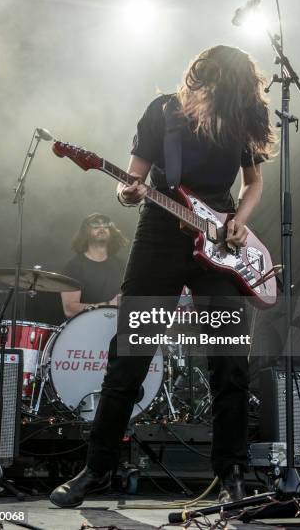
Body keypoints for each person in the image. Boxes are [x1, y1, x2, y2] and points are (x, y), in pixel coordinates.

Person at [50, 45, 276, 507]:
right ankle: (96, 470)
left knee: (231, 363)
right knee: (128, 358)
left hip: (221, 244)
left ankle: (231, 473)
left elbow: (252, 182)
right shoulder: (163, 112)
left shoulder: (241, 118)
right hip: (159, 236)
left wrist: (240, 221)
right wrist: (129, 193)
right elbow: (129, 182)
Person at [61, 213, 127, 318]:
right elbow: (69, 309)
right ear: (85, 232)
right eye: (95, 225)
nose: (102, 228)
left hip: (117, 327)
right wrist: (108, 305)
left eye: (106, 225)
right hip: (86, 328)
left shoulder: (122, 265)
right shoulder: (73, 266)